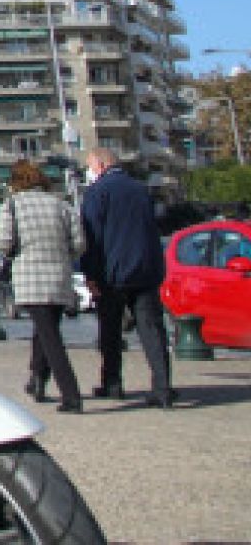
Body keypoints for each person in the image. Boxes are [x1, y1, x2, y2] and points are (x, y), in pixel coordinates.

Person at [80, 146, 174, 408]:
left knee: (110, 329)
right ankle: (163, 387)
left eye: (90, 166)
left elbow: (92, 237)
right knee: (152, 329)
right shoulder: (140, 189)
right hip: (145, 269)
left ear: (100, 165)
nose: (90, 171)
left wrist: (90, 273)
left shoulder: (97, 192)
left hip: (112, 272)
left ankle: (112, 383)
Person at [0, 159, 86, 413]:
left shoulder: (11, 206)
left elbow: (4, 243)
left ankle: (71, 394)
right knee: (45, 330)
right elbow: (79, 244)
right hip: (60, 276)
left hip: (30, 277)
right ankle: (37, 378)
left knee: (50, 336)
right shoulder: (62, 205)